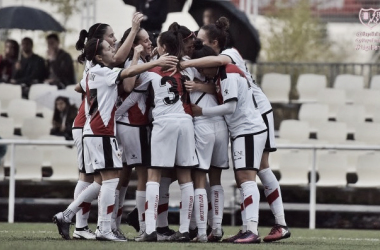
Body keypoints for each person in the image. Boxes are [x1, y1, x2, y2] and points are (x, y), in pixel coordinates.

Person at [52, 36, 178, 242]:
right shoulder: (103, 72)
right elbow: (128, 73)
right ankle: (104, 228)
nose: (114, 51)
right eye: (109, 49)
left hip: (92, 131)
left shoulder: (91, 71)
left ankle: (66, 215)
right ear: (99, 56)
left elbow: (80, 87)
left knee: (100, 181)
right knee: (112, 180)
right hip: (101, 132)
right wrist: (155, 62)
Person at [184, 16, 291, 243]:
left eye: (201, 42)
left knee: (251, 174)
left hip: (255, 116)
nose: (197, 46)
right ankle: (266, 225)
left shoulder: (229, 57)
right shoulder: (223, 71)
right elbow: (216, 86)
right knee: (256, 171)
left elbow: (228, 99)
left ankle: (258, 227)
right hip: (251, 117)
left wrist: (187, 63)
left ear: (214, 44)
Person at [190, 40, 268, 244]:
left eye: (202, 67)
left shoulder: (228, 75)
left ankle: (251, 229)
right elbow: (214, 89)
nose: (201, 71)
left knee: (247, 178)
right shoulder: (221, 75)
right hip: (242, 131)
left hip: (248, 130)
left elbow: (230, 107)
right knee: (243, 178)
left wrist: (202, 111)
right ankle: (246, 229)